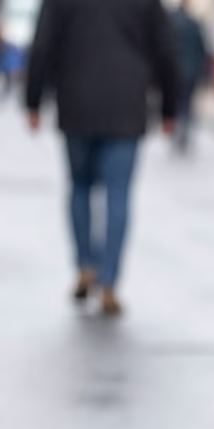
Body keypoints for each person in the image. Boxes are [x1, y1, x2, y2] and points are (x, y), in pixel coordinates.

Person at [24, 0, 178, 316]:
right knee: (117, 194)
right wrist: (170, 108)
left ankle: (85, 265)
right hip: (127, 104)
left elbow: (42, 45)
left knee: (80, 187)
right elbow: (165, 50)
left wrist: (33, 100)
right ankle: (109, 281)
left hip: (76, 101)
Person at [170, 0, 209, 153]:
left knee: (177, 101)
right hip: (191, 70)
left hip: (175, 70)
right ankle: (184, 131)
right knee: (188, 102)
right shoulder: (194, 24)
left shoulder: (171, 22)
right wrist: (204, 72)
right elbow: (202, 49)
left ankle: (177, 130)